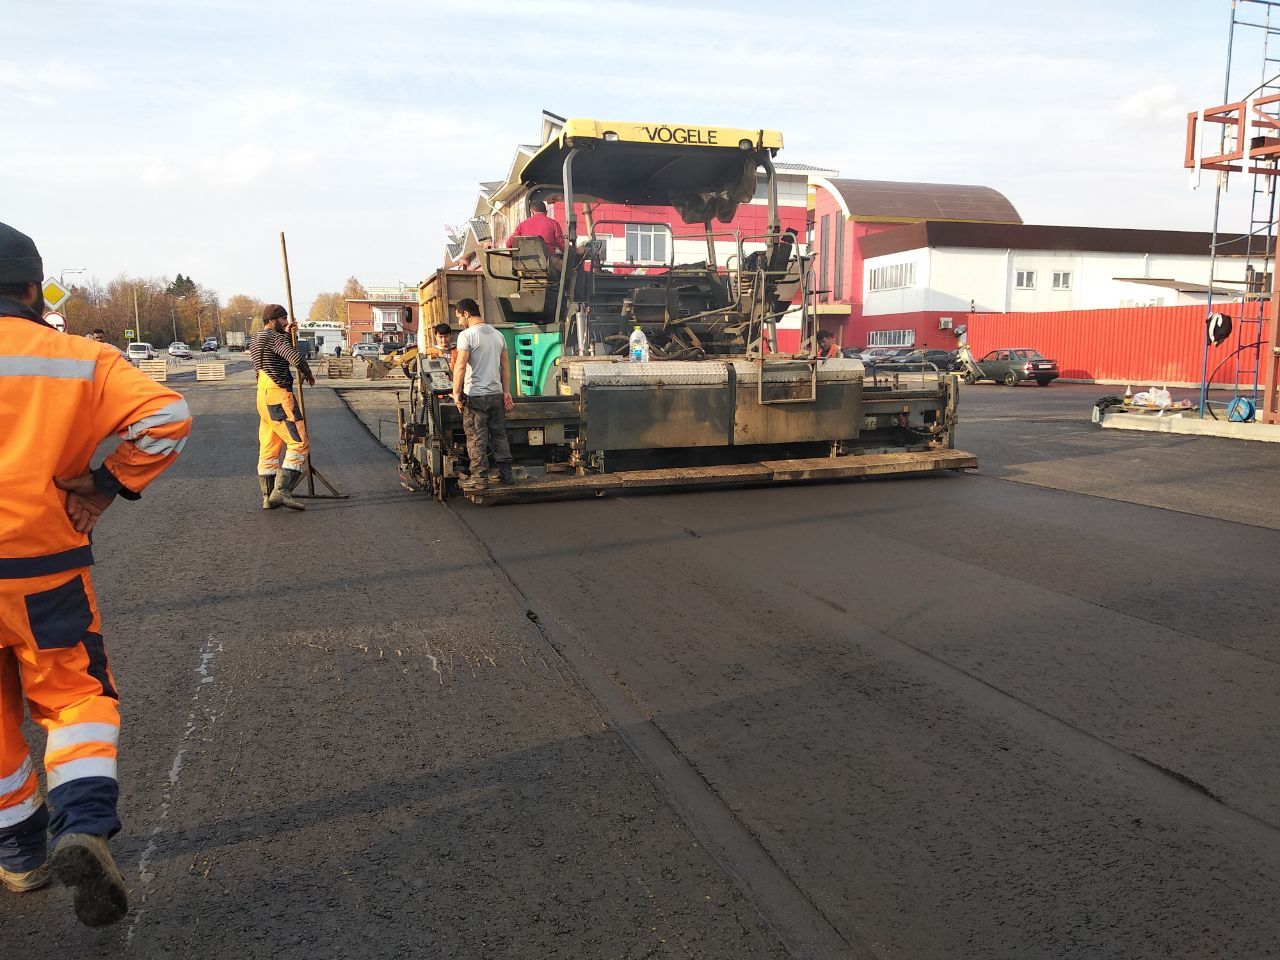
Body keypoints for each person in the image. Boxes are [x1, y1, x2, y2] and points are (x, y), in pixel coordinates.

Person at [0, 221, 192, 926]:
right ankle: (80, 825)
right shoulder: (79, 358)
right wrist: (108, 482)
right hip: (45, 567)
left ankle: (20, 859)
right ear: (31, 288)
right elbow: (167, 418)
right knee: (75, 697)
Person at [250, 304, 314, 511]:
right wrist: (308, 373)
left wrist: (287, 334)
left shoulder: (257, 338)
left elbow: (276, 352)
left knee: (270, 447)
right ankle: (282, 492)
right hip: (279, 394)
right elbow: (294, 357)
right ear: (272, 320)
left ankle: (268, 497)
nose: (287, 322)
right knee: (299, 443)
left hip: (263, 394)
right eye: (283, 319)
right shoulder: (274, 338)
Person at [451, 298, 513, 491]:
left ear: (467, 314)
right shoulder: (498, 335)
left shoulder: (466, 336)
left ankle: (480, 479)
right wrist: (506, 391)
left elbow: (460, 366)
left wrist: (456, 393)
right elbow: (505, 366)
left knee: (476, 437)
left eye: (459, 317)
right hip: (495, 394)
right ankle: (506, 475)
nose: (460, 322)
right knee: (499, 435)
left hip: (476, 396)